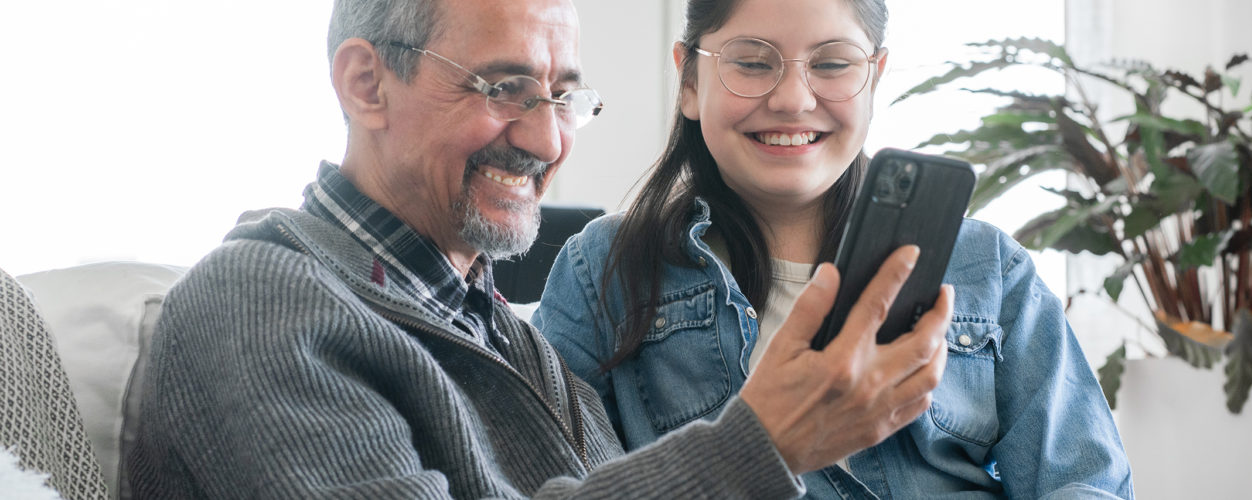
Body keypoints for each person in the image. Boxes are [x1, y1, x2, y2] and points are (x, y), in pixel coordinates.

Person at [124, 0, 956, 497]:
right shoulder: (262, 302)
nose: (549, 139)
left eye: (563, 96)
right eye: (505, 89)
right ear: (366, 84)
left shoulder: (498, 325)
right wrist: (761, 445)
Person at [531, 0, 1135, 497]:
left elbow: (1084, 483)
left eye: (833, 64)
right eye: (751, 62)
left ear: (874, 77)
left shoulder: (988, 270)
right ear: (688, 80)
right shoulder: (601, 273)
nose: (793, 99)